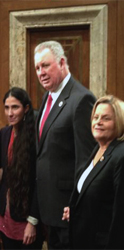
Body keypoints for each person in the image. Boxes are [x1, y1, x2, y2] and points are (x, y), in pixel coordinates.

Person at [34, 40, 96, 249]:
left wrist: (76, 201)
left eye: (45, 65)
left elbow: (86, 158)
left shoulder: (81, 99)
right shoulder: (47, 97)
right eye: (37, 68)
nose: (40, 72)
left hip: (68, 209)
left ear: (62, 62)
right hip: (50, 208)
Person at [62, 95, 124, 249]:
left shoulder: (120, 155)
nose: (98, 122)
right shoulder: (98, 148)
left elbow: (119, 215)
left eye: (105, 118)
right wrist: (76, 208)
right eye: (95, 117)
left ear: (120, 122)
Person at [0, 87, 43, 250]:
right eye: (7, 108)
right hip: (6, 214)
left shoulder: (35, 137)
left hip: (27, 216)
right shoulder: (4, 133)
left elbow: (39, 181)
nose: (10, 113)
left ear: (26, 109)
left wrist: (33, 220)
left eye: (15, 107)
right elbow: (4, 174)